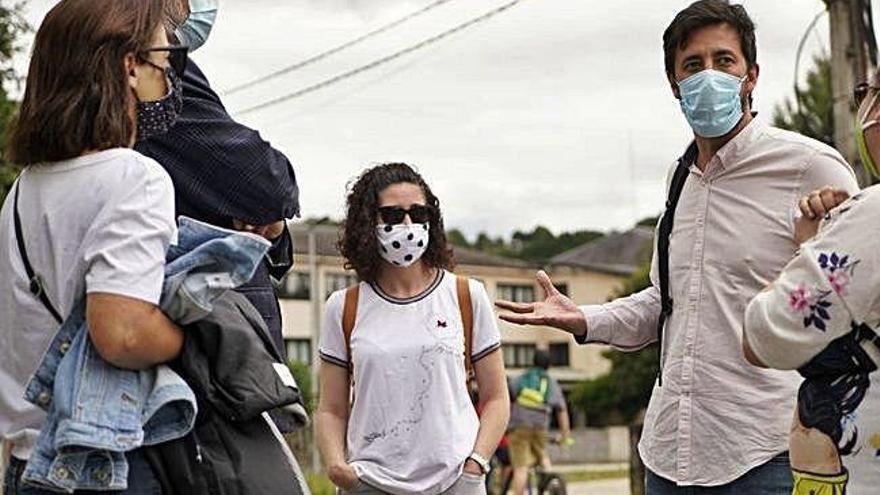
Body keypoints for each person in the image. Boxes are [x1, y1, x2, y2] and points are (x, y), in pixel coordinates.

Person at [496, 1, 860, 493]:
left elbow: (859, 308)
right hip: (669, 454)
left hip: (770, 451)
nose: (708, 75)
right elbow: (665, 303)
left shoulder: (810, 167)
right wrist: (583, 319)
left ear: (750, 75)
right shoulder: (678, 179)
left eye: (724, 61)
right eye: (693, 65)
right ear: (674, 84)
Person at [0, 0, 183, 492]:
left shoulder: (24, 190)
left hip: (27, 464)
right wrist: (191, 337)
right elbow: (121, 334)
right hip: (101, 466)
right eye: (167, 63)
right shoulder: (136, 177)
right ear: (129, 66)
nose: (169, 82)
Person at [316, 163, 509, 494]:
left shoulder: (466, 295)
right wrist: (337, 467)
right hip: (370, 482)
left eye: (419, 213)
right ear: (367, 222)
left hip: (455, 481)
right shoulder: (343, 307)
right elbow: (331, 408)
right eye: (392, 215)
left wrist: (476, 463)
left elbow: (496, 397)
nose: (408, 224)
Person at [136, 0, 300, 364]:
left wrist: (271, 228)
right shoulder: (153, 66)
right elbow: (264, 180)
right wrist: (266, 211)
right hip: (211, 366)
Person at [743, 70, 880, 495]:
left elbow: (764, 338)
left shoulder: (872, 219)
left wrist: (807, 249)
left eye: (868, 92)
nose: (864, 109)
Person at [506, 350, 570, 495]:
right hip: (541, 426)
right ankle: (552, 484)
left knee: (521, 466)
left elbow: (507, 398)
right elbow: (562, 410)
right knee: (543, 456)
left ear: (533, 361)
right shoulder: (551, 382)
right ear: (549, 365)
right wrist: (565, 435)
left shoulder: (521, 378)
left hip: (519, 426)